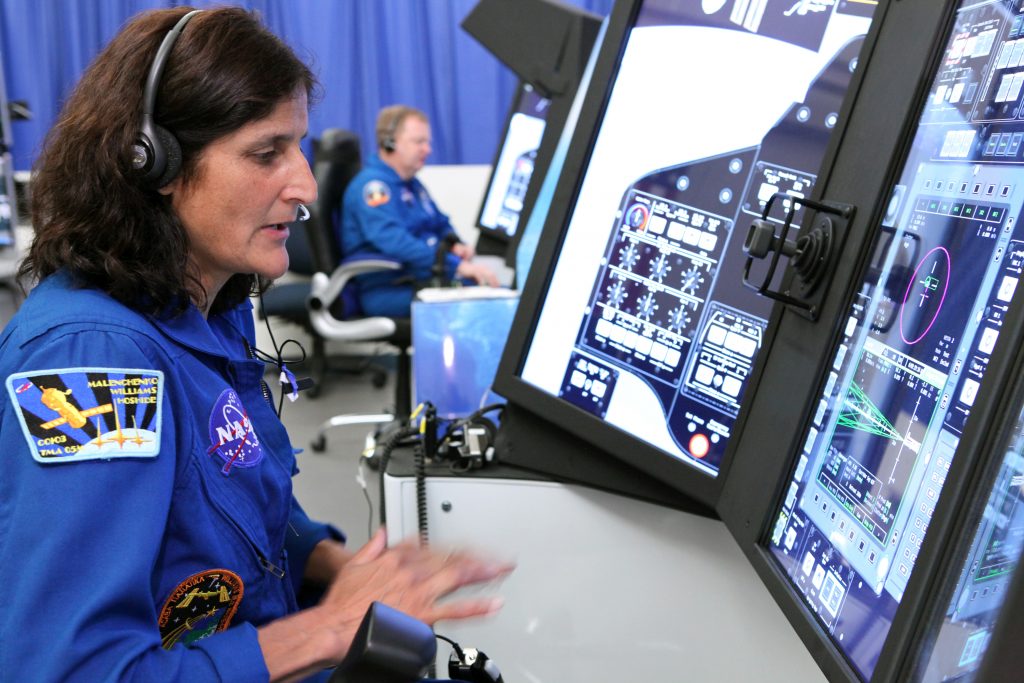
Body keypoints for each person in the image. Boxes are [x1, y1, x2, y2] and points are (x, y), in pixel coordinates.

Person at [0, 8, 512, 682]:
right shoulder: (94, 359)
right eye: (266, 152)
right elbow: (70, 671)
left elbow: (237, 498)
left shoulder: (209, 307)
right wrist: (325, 626)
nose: (302, 186)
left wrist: (336, 567)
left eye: (298, 146)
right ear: (154, 163)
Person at [340, 105, 499, 317]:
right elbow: (396, 242)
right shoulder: (373, 188)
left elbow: (440, 222)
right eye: (419, 142)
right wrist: (457, 267)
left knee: (494, 296)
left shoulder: (412, 185)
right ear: (390, 142)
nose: (428, 149)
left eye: (428, 142)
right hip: (390, 289)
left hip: (422, 280)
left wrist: (456, 244)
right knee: (483, 307)